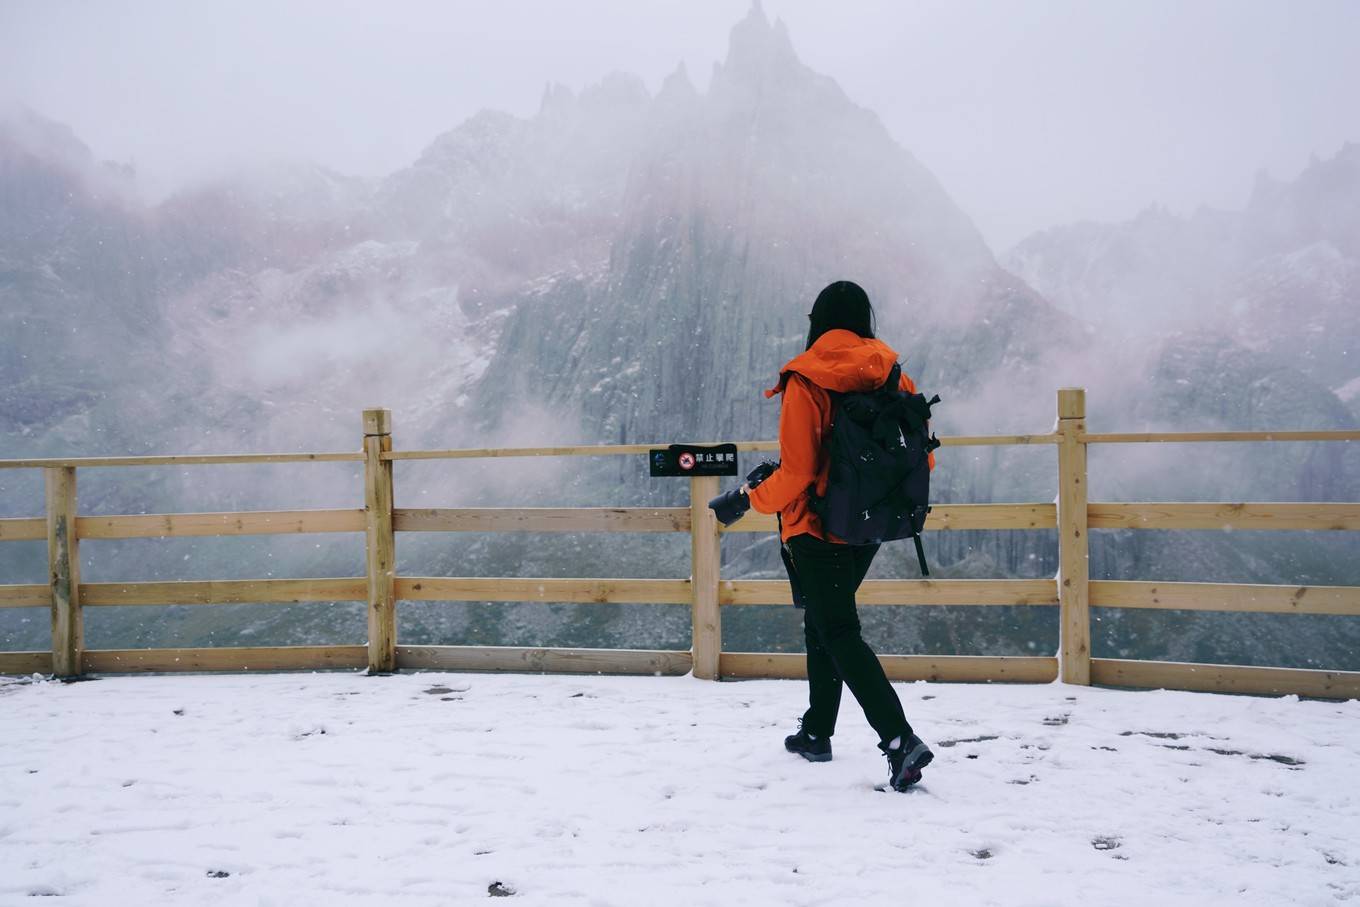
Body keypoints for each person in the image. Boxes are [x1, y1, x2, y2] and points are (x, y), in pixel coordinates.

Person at [720, 280, 935, 792]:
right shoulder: (893, 376)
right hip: (870, 526)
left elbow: (797, 472)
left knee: (837, 629)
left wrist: (749, 499)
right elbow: (922, 457)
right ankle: (817, 733)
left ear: (818, 322)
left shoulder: (807, 380)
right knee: (822, 622)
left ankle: (900, 741)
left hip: (815, 528)